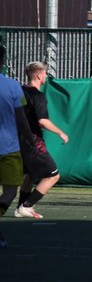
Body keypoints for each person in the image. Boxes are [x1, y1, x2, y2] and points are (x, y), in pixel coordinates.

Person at [14, 62, 69, 219]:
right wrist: (61, 133)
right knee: (53, 175)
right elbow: (43, 121)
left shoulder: (19, 91)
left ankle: (21, 208)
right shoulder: (38, 95)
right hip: (32, 142)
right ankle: (28, 205)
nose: (46, 75)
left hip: (17, 140)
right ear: (38, 75)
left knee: (31, 175)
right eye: (45, 73)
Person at [0, 46, 37, 248]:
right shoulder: (13, 86)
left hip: (9, 147)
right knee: (10, 192)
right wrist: (31, 141)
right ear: (2, 60)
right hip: (9, 148)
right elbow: (21, 118)